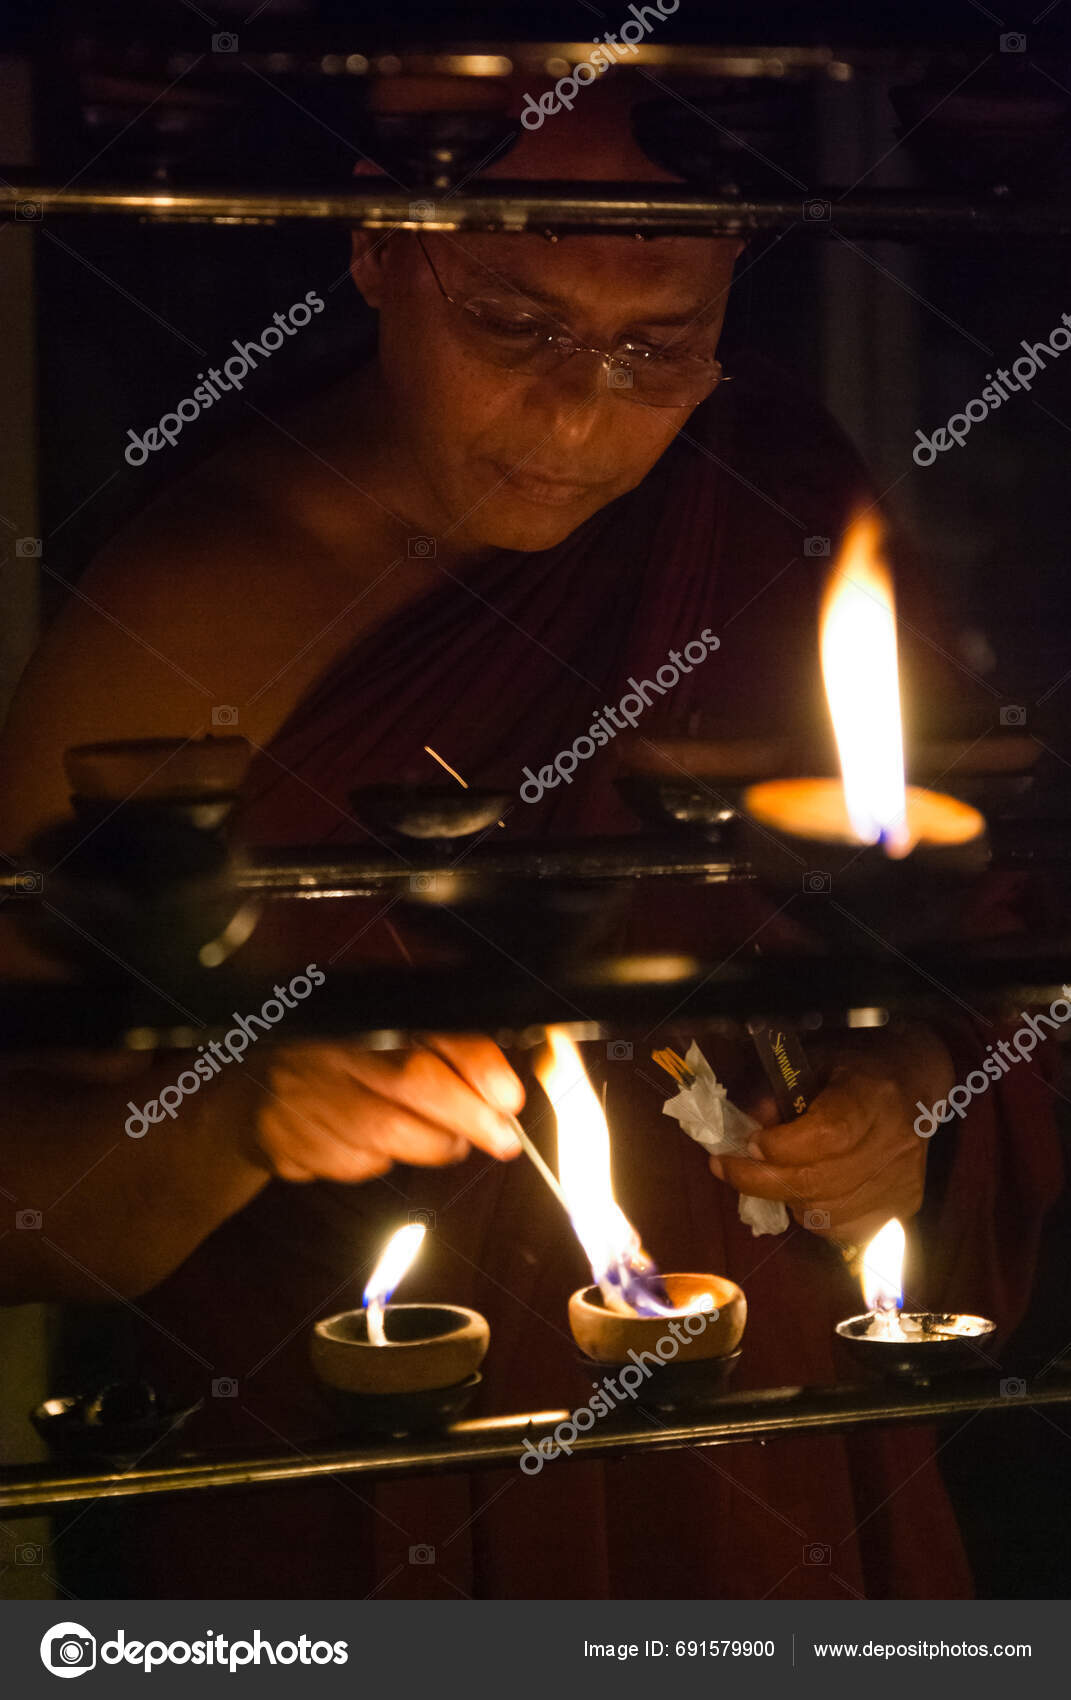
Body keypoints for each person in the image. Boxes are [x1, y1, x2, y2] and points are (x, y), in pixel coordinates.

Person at [0, 71, 1061, 1599]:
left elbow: (978, 942)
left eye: (657, 346)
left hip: (756, 1433)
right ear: (377, 246)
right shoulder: (202, 602)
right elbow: (25, 1189)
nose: (578, 412)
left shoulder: (768, 491)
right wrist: (248, 1112)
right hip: (367, 1459)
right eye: (513, 325)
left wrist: (898, 1102)